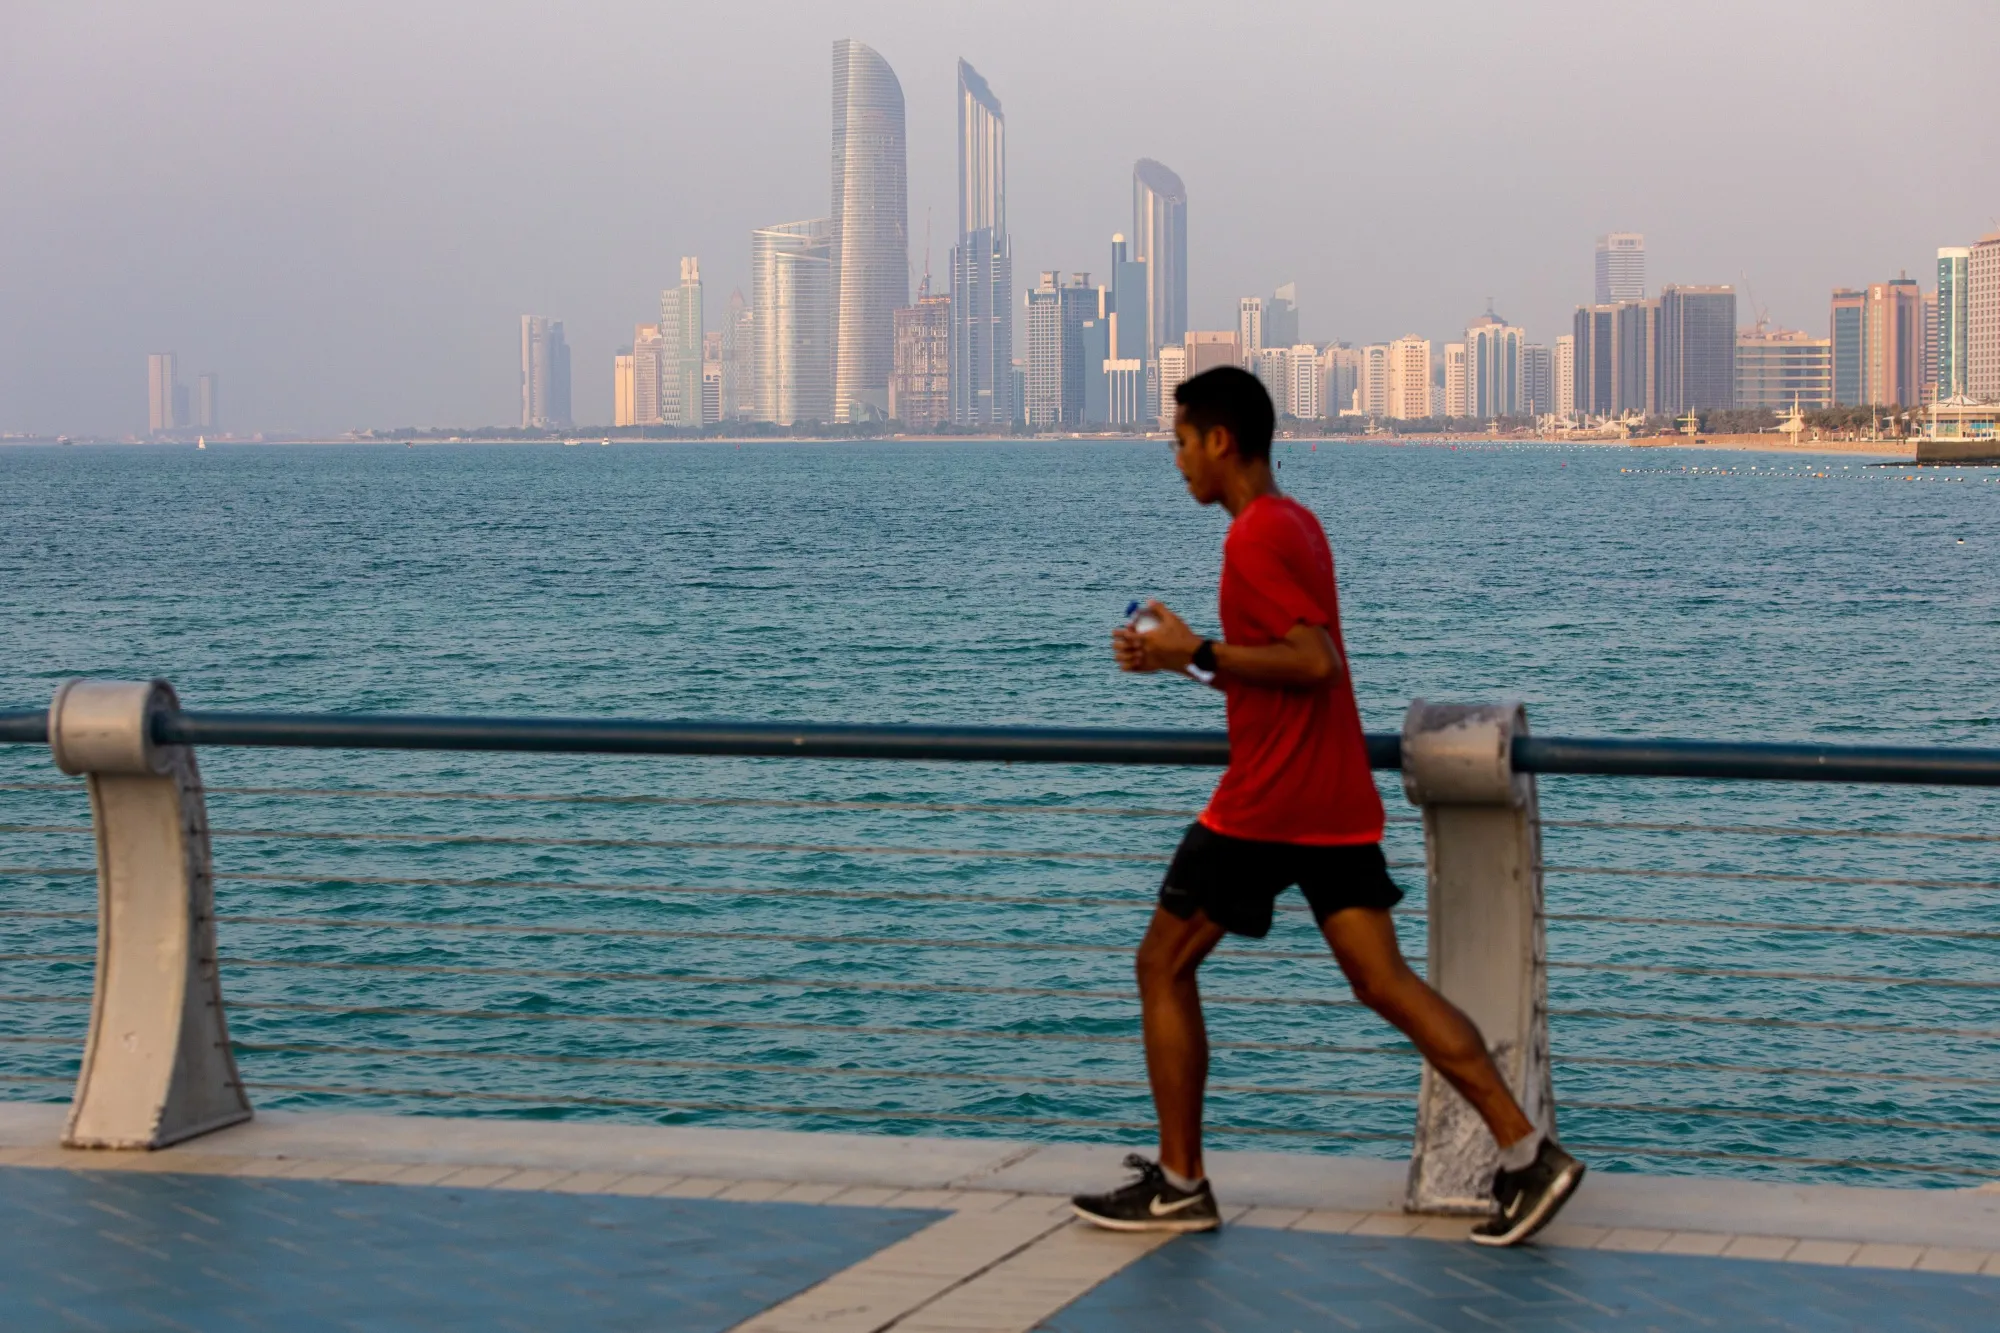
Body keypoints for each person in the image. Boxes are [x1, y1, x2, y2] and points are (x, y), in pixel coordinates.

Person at [1070, 367, 1583, 1247]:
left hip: (1269, 802)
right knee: (1384, 984)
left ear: (1220, 440)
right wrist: (1183, 657)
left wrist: (1202, 650)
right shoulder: (1294, 521)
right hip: (1332, 794)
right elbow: (1279, 664)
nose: (1176, 460)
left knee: (1161, 965)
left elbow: (1314, 665)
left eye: (1181, 442)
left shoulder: (1256, 538)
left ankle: (1183, 1182)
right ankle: (1528, 1153)